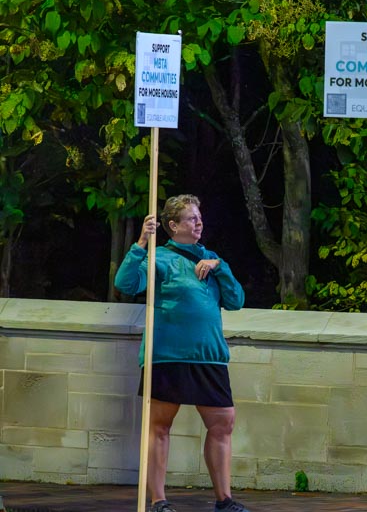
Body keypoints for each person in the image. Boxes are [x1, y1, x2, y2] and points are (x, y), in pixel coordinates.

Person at [115, 194, 249, 512]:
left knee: (223, 423)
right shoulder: (159, 258)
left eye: (199, 217)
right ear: (173, 225)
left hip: (209, 356)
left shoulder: (211, 258)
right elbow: (126, 283)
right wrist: (142, 242)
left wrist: (220, 266)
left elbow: (236, 300)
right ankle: (159, 501)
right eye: (191, 218)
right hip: (168, 356)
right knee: (159, 426)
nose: (198, 222)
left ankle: (224, 500)